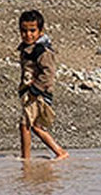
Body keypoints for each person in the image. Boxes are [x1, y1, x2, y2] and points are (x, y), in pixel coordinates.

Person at [17, 9, 68, 160]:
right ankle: (59, 152)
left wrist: (34, 90)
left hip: (38, 93)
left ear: (40, 31)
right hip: (31, 92)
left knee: (25, 125)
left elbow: (48, 73)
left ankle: (25, 159)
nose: (28, 34)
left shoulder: (42, 51)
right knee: (35, 126)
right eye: (24, 31)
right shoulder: (27, 49)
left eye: (32, 30)